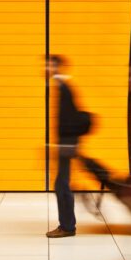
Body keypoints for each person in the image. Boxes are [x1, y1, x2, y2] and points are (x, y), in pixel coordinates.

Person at [46, 55, 84, 238]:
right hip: (66, 143)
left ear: (59, 67)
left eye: (50, 65)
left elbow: (69, 119)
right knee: (61, 184)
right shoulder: (62, 87)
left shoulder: (64, 88)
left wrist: (65, 144)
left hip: (66, 144)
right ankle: (67, 225)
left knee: (62, 185)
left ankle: (67, 227)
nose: (46, 68)